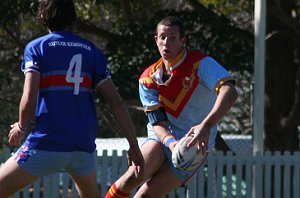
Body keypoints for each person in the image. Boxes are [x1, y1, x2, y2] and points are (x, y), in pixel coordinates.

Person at [0, 0, 144, 198]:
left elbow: (29, 95)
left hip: (47, 143)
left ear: (42, 16)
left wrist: (22, 127)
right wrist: (134, 146)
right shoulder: (91, 50)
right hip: (82, 147)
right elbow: (116, 102)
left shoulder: (37, 47)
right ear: (73, 18)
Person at [105, 16, 238, 198]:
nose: (166, 42)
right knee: (131, 177)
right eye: (162, 37)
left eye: (173, 37)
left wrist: (205, 126)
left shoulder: (200, 64)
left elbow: (230, 92)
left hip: (193, 148)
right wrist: (172, 144)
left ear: (183, 41)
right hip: (163, 139)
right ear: (156, 40)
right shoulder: (148, 79)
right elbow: (157, 121)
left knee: (145, 196)